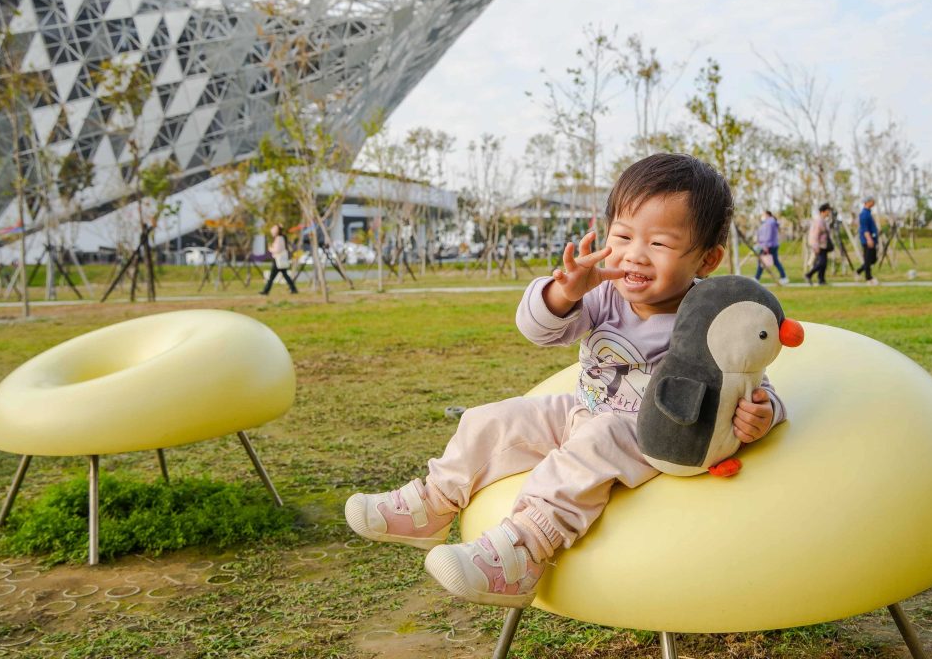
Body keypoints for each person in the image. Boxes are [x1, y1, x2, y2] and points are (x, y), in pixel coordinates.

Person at [345, 153, 787, 608]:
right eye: (623, 236)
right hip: (584, 409)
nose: (635, 254)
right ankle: (433, 503)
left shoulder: (710, 317)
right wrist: (564, 292)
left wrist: (763, 413)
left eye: (659, 243)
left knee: (596, 441)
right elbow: (538, 330)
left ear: (707, 259)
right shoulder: (603, 295)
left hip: (648, 436)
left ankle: (521, 553)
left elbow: (751, 381)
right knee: (492, 419)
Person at [753, 210, 789, 285]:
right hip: (770, 245)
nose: (762, 216)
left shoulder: (769, 223)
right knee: (773, 262)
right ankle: (783, 277)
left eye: (763, 214)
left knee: (763, 261)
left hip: (768, 245)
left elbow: (768, 235)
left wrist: (765, 246)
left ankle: (756, 278)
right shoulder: (769, 222)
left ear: (767, 215)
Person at [259, 224, 297, 295]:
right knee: (284, 275)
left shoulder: (279, 238)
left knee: (272, 276)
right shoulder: (280, 238)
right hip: (279, 260)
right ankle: (293, 289)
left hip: (278, 260)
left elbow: (278, 250)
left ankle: (266, 290)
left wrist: (270, 249)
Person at [804, 203, 832, 286]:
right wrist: (816, 246)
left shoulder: (824, 221)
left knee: (824, 263)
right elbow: (814, 235)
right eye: (827, 211)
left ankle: (821, 280)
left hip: (824, 245)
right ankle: (809, 274)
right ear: (823, 211)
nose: (828, 213)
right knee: (821, 263)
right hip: (819, 245)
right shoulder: (818, 221)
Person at [856, 195, 879, 286]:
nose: (874, 202)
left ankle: (859, 271)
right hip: (867, 240)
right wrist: (869, 239)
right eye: (872, 201)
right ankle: (869, 278)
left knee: (873, 259)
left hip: (872, 239)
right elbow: (865, 229)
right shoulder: (864, 214)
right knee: (868, 259)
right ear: (868, 202)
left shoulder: (869, 213)